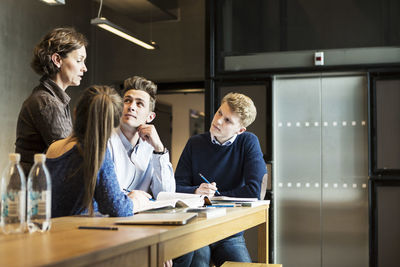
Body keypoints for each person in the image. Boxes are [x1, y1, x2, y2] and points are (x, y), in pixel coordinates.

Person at [173, 92, 267, 267]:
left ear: (240, 130)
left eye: (227, 120)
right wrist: (195, 191)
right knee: (198, 260)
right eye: (219, 113)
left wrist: (213, 197)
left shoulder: (248, 142)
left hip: (229, 232)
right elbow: (176, 187)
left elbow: (255, 191)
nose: (218, 121)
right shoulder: (194, 143)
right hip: (196, 228)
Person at [46, 85, 150, 217]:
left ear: (75, 112)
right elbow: (117, 207)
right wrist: (136, 201)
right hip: (78, 234)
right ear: (113, 124)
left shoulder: (53, 147)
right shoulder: (96, 152)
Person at [15, 27, 88, 175]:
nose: (84, 68)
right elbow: (70, 155)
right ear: (57, 60)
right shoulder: (47, 103)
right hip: (36, 192)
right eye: (79, 60)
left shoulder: (52, 99)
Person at [107, 76, 175, 200]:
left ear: (150, 117)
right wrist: (128, 197)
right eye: (127, 100)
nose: (131, 107)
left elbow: (166, 194)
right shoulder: (106, 141)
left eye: (139, 104)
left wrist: (159, 149)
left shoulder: (150, 148)